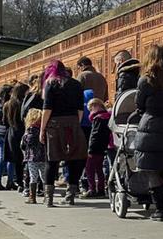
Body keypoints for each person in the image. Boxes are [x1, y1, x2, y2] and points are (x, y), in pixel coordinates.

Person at [131, 44, 163, 221]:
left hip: (150, 126)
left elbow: (140, 104)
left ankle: (161, 208)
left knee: (150, 169)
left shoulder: (146, 80)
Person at [39, 60, 88, 206]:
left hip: (54, 124)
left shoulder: (50, 83)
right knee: (74, 159)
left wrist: (42, 129)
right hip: (73, 122)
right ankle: (70, 195)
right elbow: (80, 110)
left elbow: (47, 109)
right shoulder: (76, 84)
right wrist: (75, 124)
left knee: (51, 160)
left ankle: (49, 199)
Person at [83, 98, 111, 198]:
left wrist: (90, 149)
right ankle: (101, 189)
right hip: (103, 147)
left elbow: (94, 135)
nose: (90, 111)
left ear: (96, 106)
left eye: (91, 108)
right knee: (99, 169)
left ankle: (92, 189)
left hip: (95, 148)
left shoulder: (98, 119)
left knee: (89, 168)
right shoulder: (107, 117)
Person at [4, 84, 28, 189]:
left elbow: (4, 121)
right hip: (22, 131)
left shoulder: (7, 104)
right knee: (24, 158)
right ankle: (23, 181)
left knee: (15, 159)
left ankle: (17, 181)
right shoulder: (23, 104)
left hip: (11, 131)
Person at [21, 108, 47, 205]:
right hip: (43, 157)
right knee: (44, 176)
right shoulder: (43, 130)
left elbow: (24, 144)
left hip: (32, 158)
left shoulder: (30, 131)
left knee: (33, 177)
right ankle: (47, 196)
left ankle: (32, 197)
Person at [0, 85, 14, 191]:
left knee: (2, 156)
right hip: (6, 131)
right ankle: (9, 181)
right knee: (9, 157)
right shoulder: (7, 104)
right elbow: (8, 119)